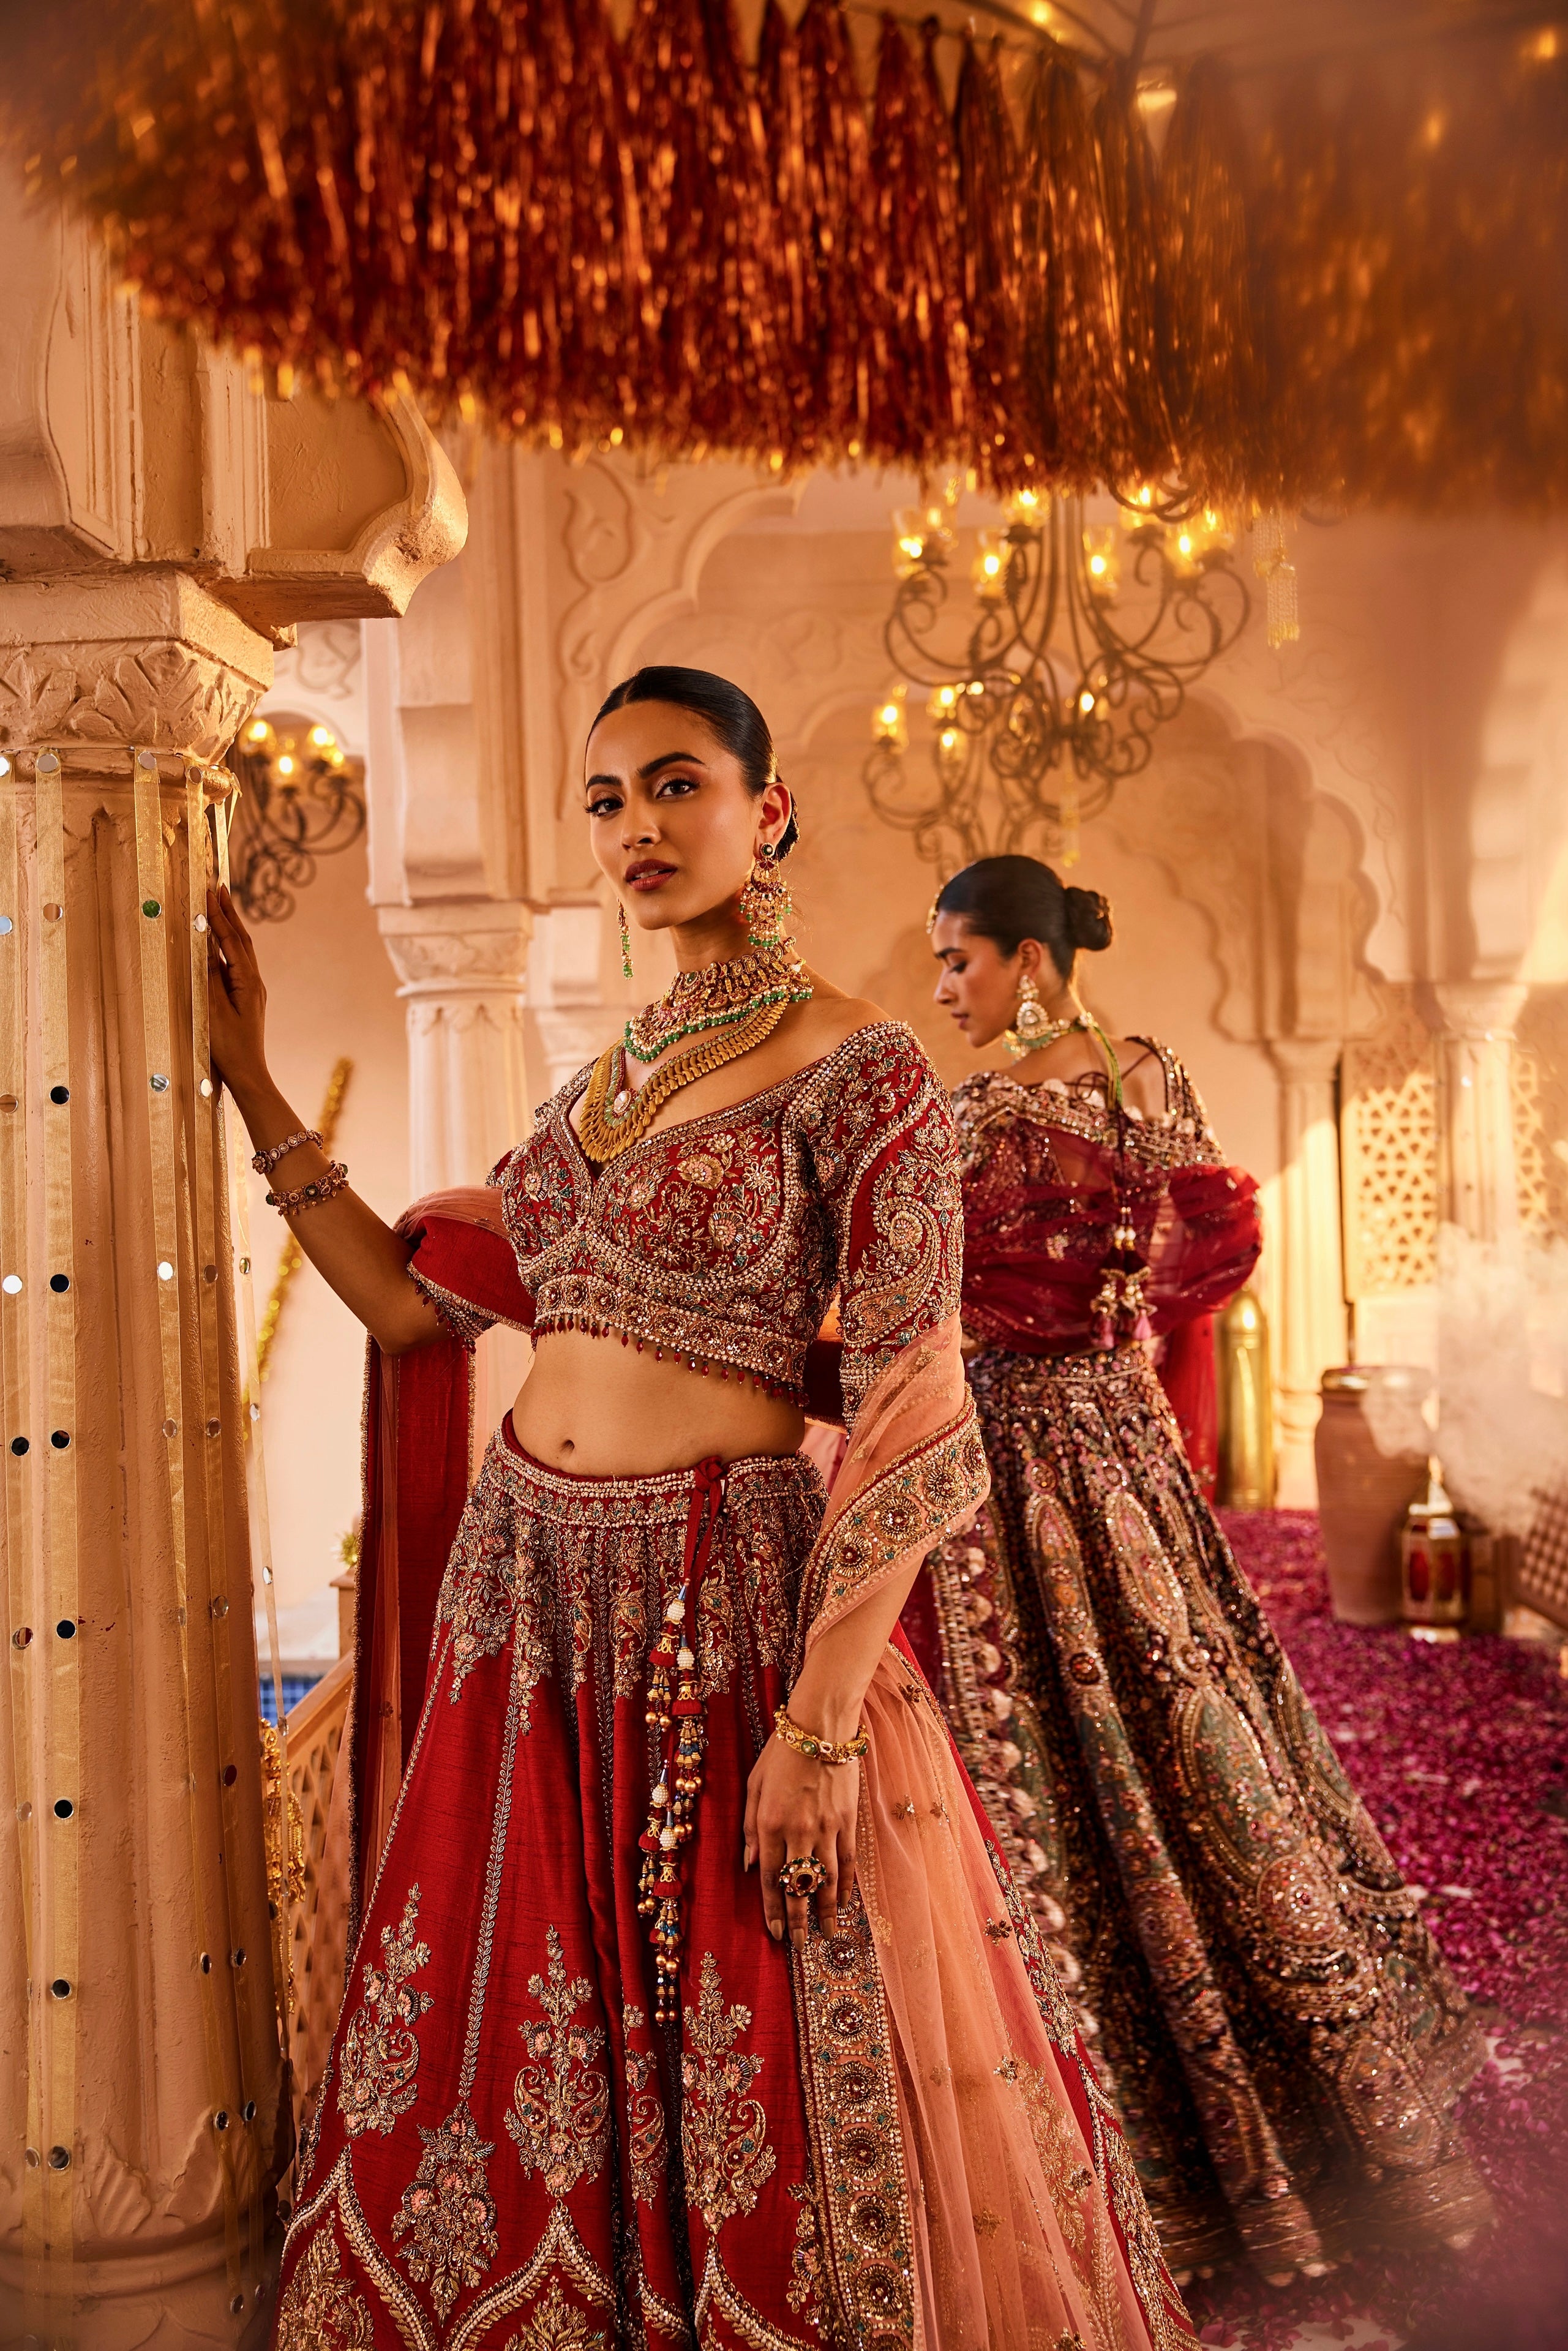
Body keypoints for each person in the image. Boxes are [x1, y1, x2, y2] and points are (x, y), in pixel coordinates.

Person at [209, 673, 1196, 2350]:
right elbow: (404, 1310)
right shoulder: (588, 1097)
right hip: (521, 1610)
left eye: (676, 786)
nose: (637, 828)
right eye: (604, 802)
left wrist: (819, 1729)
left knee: (748, 2045)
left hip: (713, 1616)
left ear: (768, 809)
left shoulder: (857, 1064)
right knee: (523, 2057)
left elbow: (912, 1401)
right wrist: (247, 1075)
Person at [921, 853, 1491, 2284]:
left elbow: (917, 1294)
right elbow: (1214, 1238)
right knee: (1189, 1718)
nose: (945, 991)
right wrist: (1113, 1328)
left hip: (1018, 1454)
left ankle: (1129, 2133)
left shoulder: (982, 1116)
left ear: (1032, 963)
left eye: (960, 962)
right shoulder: (1154, 1073)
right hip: (1128, 1443)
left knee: (1066, 1754)